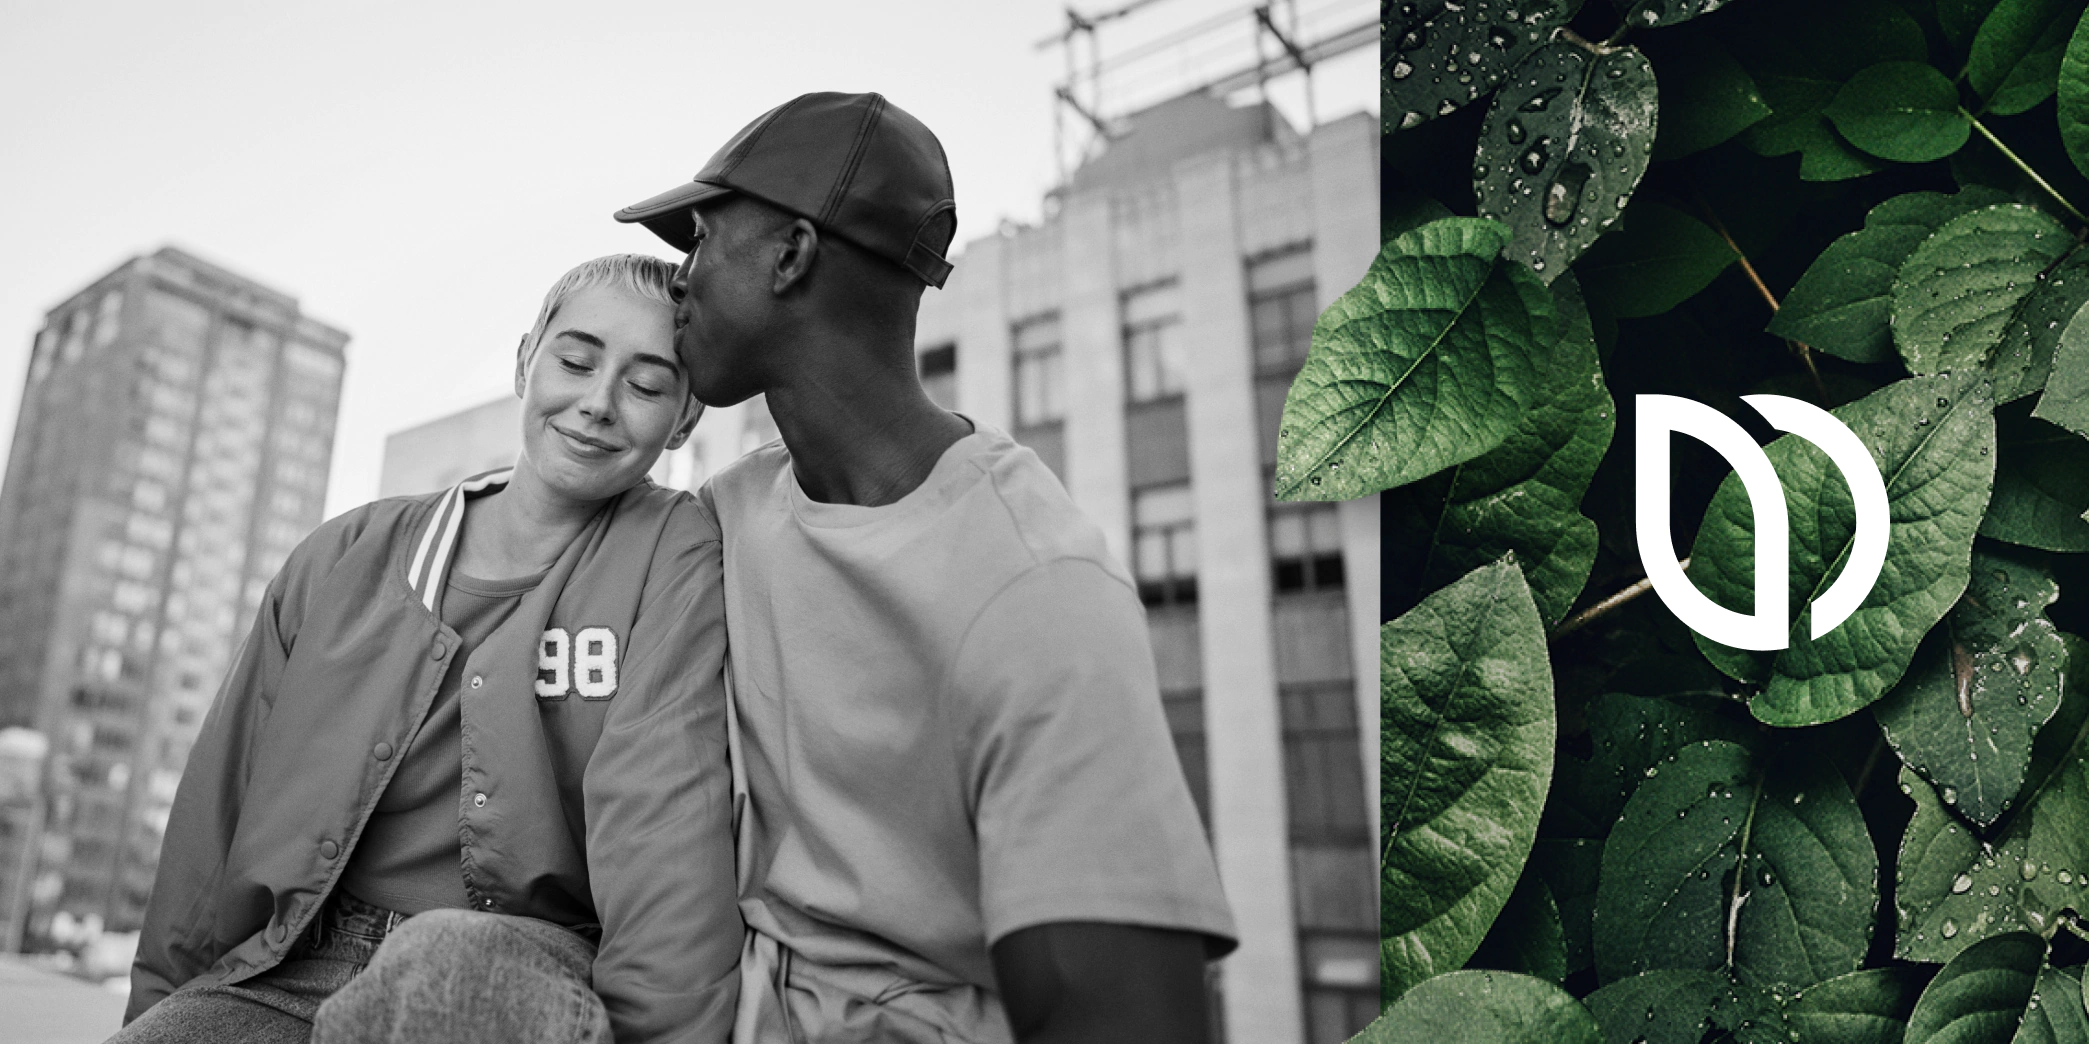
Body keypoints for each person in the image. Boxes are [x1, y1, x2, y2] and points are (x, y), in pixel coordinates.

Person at [614, 92, 1236, 1044]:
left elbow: (1116, 1011)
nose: (678, 279)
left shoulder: (1032, 588)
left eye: (699, 239)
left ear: (790, 254)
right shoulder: (727, 515)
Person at [118, 255, 741, 1044]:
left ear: (683, 420)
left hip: (515, 966)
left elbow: (667, 818)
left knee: (447, 961)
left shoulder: (671, 550)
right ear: (525, 361)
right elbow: (215, 812)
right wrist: (167, 1011)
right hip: (293, 964)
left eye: (646, 387)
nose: (597, 404)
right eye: (576, 361)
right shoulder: (344, 555)